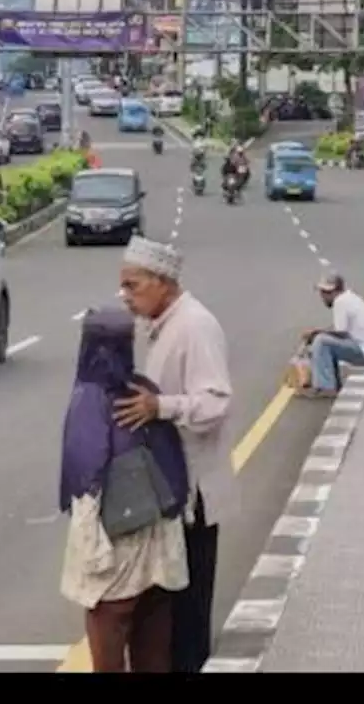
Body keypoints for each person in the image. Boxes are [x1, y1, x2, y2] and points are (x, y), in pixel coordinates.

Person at [115, 236, 233, 670]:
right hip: (167, 492)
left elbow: (216, 402)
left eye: (133, 286)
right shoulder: (162, 325)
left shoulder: (195, 327)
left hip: (193, 495)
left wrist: (159, 407)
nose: (126, 296)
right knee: (166, 610)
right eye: (123, 287)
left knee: (188, 614)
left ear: (163, 282)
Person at [59, 306, 191, 673]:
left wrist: (91, 548)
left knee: (109, 633)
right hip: (158, 536)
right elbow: (171, 458)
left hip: (116, 538)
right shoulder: (144, 390)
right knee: (154, 645)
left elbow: (85, 473)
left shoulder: (90, 397)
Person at [299, 272, 364, 398]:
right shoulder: (348, 298)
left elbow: (341, 333)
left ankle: (325, 387)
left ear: (333, 292)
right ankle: (332, 383)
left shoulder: (341, 302)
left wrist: (315, 333)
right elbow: (340, 331)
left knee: (321, 341)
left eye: (324, 293)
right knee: (325, 340)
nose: (322, 297)